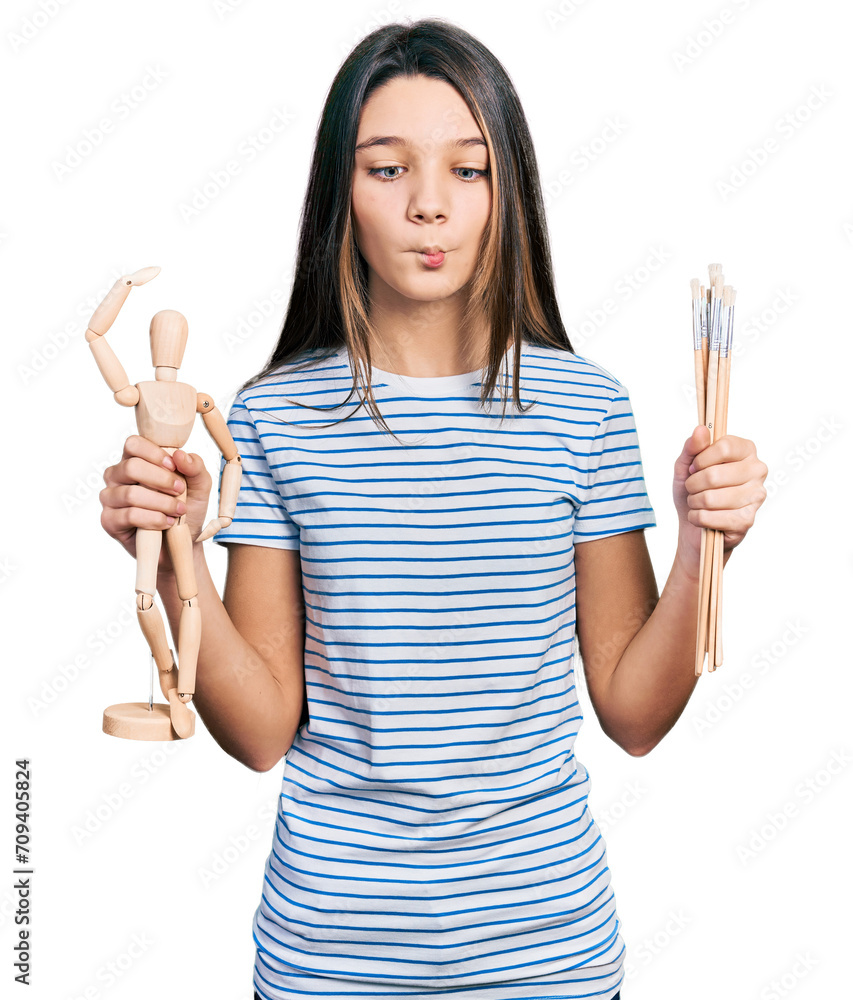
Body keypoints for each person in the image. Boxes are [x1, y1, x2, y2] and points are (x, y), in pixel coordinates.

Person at [98, 18, 767, 1000]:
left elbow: (633, 712)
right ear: (342, 196)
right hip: (329, 959)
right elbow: (262, 731)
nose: (427, 206)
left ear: (510, 194)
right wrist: (170, 554)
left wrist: (710, 541)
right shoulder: (275, 415)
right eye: (386, 170)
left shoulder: (585, 409)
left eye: (467, 170)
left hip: (547, 958)